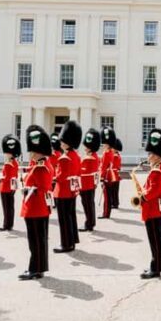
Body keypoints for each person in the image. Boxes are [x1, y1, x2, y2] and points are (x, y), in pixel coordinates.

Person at [19, 125, 53, 280]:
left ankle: (35, 269)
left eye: (32, 151)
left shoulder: (41, 167)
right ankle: (39, 268)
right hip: (37, 208)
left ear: (38, 151)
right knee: (38, 240)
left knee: (36, 241)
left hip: (36, 208)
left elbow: (43, 188)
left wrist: (28, 190)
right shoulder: (41, 165)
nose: (30, 154)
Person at [137, 128, 161, 279]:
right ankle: (156, 266)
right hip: (157, 209)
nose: (148, 157)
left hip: (153, 209)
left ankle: (155, 269)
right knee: (156, 240)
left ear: (156, 155)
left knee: (155, 240)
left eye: (150, 154)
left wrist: (142, 197)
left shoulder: (157, 171)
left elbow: (153, 191)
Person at [53, 120, 81, 253]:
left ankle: (66, 244)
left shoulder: (64, 158)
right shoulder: (76, 156)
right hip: (71, 191)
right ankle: (72, 240)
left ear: (67, 142)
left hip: (63, 191)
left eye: (62, 141)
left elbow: (61, 176)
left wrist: (53, 178)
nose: (60, 143)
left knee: (64, 219)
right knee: (71, 216)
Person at [0, 135, 21, 232]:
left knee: (6, 208)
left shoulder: (8, 163)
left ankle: (6, 225)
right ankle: (9, 224)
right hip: (12, 187)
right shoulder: (15, 162)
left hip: (6, 187)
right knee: (10, 207)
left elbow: (6, 177)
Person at [79, 128, 101, 232]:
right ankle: (90, 223)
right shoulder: (93, 156)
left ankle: (89, 224)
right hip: (88, 184)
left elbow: (84, 171)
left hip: (86, 184)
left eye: (86, 146)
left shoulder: (90, 158)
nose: (85, 148)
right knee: (89, 204)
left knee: (87, 205)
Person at [98, 126, 116, 219]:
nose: (103, 145)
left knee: (106, 196)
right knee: (108, 196)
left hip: (106, 176)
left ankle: (106, 213)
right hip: (110, 176)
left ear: (107, 144)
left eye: (104, 144)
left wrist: (101, 177)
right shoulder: (111, 152)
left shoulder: (106, 153)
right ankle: (107, 213)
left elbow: (104, 166)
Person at [113, 139, 123, 209]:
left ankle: (115, 203)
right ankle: (115, 203)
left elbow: (113, 166)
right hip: (116, 175)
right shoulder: (117, 155)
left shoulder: (115, 156)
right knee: (115, 190)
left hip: (114, 175)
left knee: (114, 190)